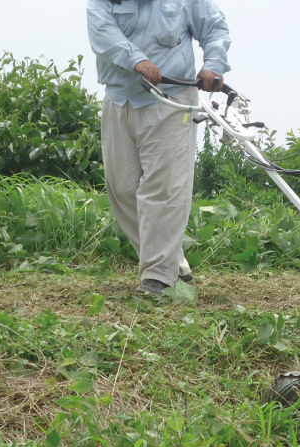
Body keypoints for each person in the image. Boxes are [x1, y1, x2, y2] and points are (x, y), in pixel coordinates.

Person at [86, 0, 231, 295]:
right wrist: (136, 60)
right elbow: (102, 29)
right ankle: (173, 262)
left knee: (164, 186)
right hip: (119, 97)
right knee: (122, 188)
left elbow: (215, 27)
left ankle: (158, 277)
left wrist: (213, 64)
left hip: (171, 98)